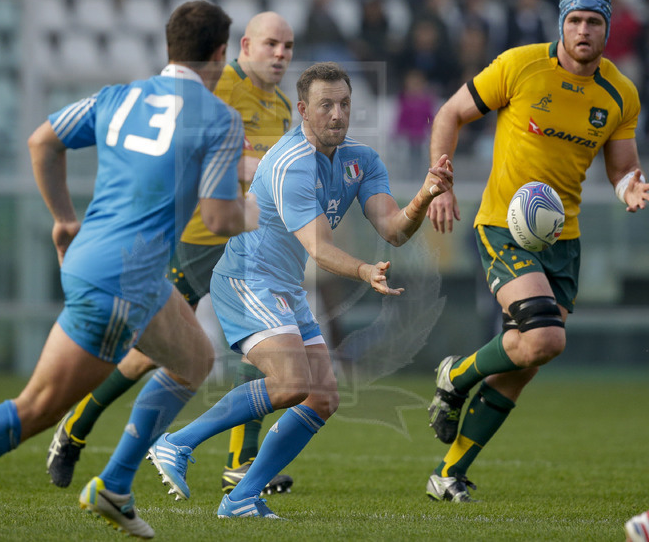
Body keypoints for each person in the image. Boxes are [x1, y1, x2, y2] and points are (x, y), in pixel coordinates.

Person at [0, 0, 258, 541]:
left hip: (122, 268)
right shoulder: (218, 117)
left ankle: (116, 486)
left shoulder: (120, 96)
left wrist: (63, 218)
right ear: (221, 54)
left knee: (195, 359)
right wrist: (264, 209)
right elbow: (220, 216)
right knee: (36, 408)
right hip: (120, 280)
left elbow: (42, 140)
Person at [145, 61, 454, 519]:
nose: (337, 114)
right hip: (245, 279)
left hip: (283, 288)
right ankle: (177, 444)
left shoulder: (360, 160)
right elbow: (317, 248)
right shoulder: (291, 162)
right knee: (291, 383)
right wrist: (365, 271)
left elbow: (393, 228)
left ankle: (242, 498)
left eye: (345, 104)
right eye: (326, 105)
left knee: (323, 397)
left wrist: (425, 194)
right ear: (304, 110)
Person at [46, 11, 297, 497]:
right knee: (144, 355)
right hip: (193, 240)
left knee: (265, 337)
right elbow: (193, 151)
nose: (281, 55)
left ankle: (242, 463)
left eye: (287, 47)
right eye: (271, 45)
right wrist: (259, 166)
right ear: (242, 46)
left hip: (243, 244)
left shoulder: (284, 108)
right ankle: (77, 424)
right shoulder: (215, 87)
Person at [423, 0, 649, 503]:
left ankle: (448, 473)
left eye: (594, 23)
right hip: (504, 225)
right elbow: (450, 114)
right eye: (575, 21)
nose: (583, 31)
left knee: (528, 357)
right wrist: (440, 183)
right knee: (547, 337)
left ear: (607, 30)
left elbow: (621, 165)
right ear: (561, 24)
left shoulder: (620, 93)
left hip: (561, 239)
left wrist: (629, 186)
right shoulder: (520, 65)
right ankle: (456, 376)